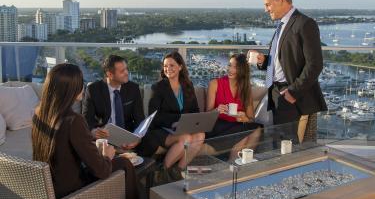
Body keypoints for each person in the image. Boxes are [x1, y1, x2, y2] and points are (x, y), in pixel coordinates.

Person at [32, 63, 140, 199]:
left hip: (50, 189)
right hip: (71, 193)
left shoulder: (40, 114)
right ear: (72, 89)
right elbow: (102, 171)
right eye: (81, 82)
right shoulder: (74, 121)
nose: (83, 86)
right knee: (124, 163)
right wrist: (107, 155)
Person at [249, 0, 327, 142]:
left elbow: (315, 64)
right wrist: (264, 61)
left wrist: (293, 92)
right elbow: (283, 60)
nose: (266, 9)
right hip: (275, 91)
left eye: (268, 4)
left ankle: (291, 167)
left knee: (287, 143)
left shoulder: (305, 24)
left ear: (282, 0)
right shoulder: (281, 25)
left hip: (290, 93)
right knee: (278, 140)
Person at [145, 51, 205, 180]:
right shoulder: (158, 87)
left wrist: (191, 122)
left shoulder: (188, 86)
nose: (168, 69)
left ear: (180, 67)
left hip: (182, 126)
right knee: (186, 138)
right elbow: (153, 116)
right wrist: (176, 122)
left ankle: (178, 170)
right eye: (165, 66)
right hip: (161, 129)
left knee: (200, 135)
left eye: (172, 65)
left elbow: (195, 109)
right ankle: (162, 171)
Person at [82, 55, 145, 151]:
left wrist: (138, 137)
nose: (127, 73)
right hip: (103, 136)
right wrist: (93, 131)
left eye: (126, 69)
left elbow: (139, 118)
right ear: (110, 74)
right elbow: (86, 118)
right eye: (122, 71)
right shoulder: (93, 90)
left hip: (126, 135)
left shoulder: (133, 88)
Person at [206, 53, 262, 160]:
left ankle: (238, 163)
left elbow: (251, 119)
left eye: (235, 67)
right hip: (219, 126)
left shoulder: (246, 88)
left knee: (256, 129)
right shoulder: (215, 84)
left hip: (237, 125)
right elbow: (207, 114)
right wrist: (217, 110)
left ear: (242, 70)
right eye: (229, 65)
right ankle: (236, 165)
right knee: (245, 135)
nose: (230, 69)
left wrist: (244, 117)